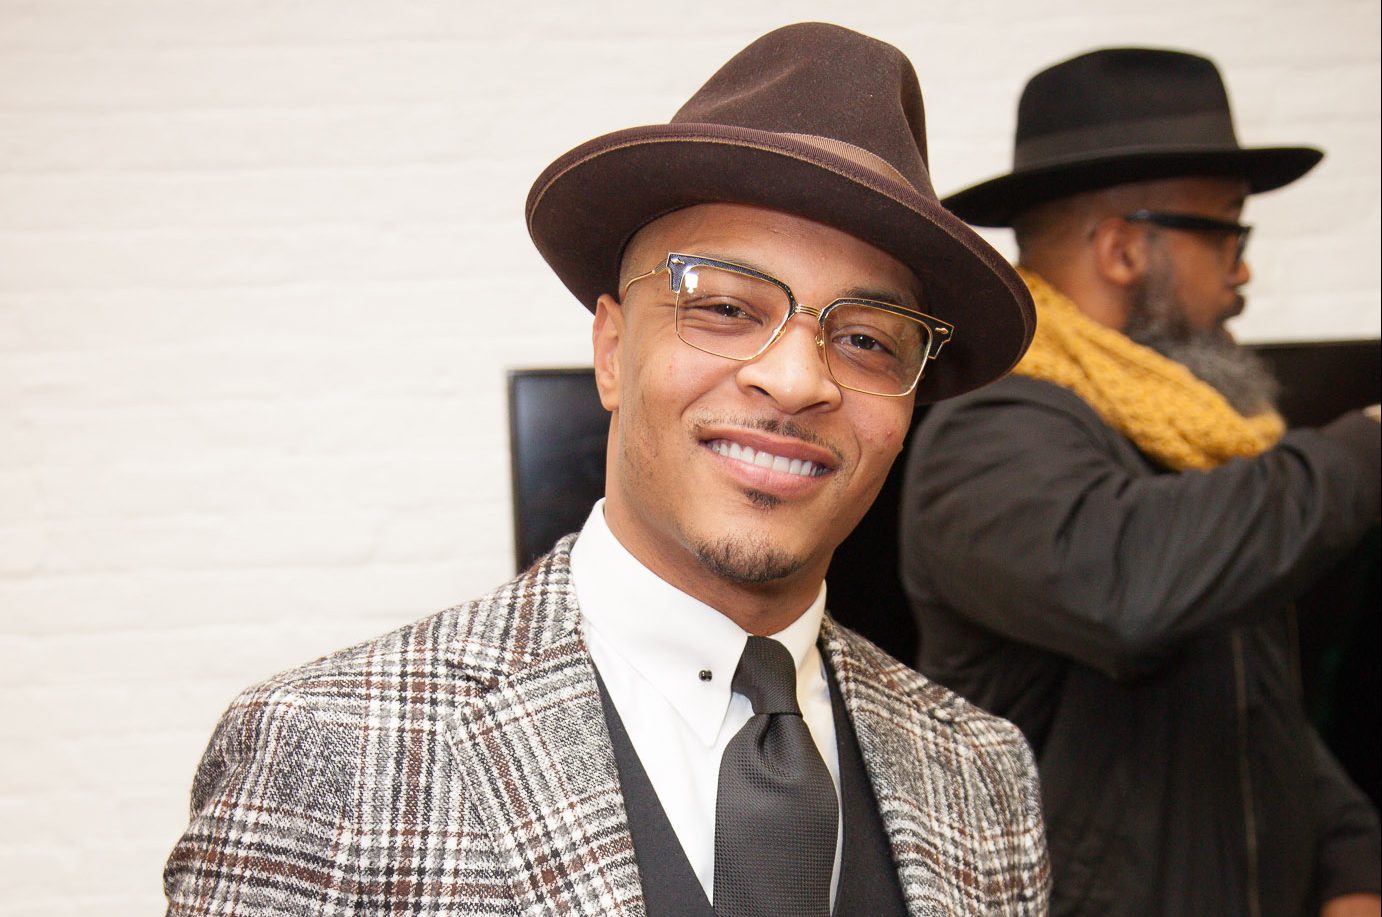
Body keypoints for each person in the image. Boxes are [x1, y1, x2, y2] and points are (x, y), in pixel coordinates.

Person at [164, 23, 1049, 915]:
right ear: (613, 349)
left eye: (865, 339)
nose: (795, 379)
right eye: (727, 307)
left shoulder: (981, 774)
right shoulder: (330, 751)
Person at [900, 47, 1382, 917]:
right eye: (1227, 229)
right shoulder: (988, 436)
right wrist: (1366, 448)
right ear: (1123, 248)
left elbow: (1246, 707)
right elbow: (1132, 587)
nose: (1242, 270)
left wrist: (1350, 859)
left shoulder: (1191, 435)